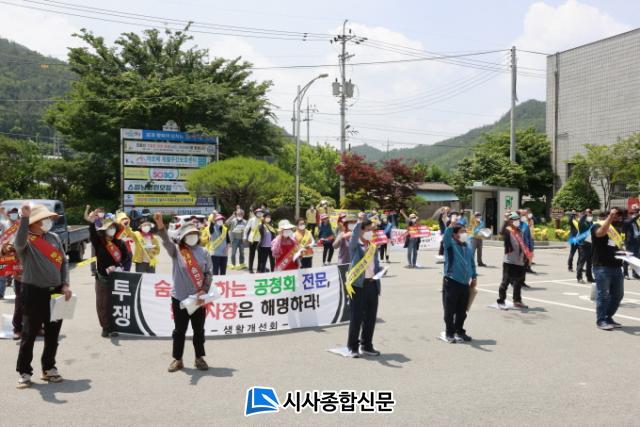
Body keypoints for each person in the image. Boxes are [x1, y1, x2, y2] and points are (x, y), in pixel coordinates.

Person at [15, 203, 72, 389]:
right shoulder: (25, 239)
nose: (48, 221)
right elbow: (18, 243)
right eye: (44, 219)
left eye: (48, 218)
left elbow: (64, 262)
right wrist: (24, 218)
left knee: (53, 333)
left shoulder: (54, 237)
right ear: (34, 222)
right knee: (29, 333)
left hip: (56, 291)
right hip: (33, 292)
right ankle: (24, 372)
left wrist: (65, 284)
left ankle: (49, 368)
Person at [155, 212, 212, 371]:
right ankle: (177, 359)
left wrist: (203, 290)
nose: (192, 236)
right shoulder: (176, 251)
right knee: (179, 331)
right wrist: (160, 225)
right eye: (189, 234)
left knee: (198, 330)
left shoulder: (204, 252)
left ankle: (199, 358)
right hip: (179, 298)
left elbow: (208, 273)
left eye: (194, 234)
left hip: (198, 299)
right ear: (183, 237)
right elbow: (166, 240)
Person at [86, 210, 130, 338]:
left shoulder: (120, 243)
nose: (111, 230)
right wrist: (91, 223)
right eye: (109, 228)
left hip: (117, 278)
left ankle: (114, 326)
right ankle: (106, 327)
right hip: (102, 278)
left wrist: (118, 266)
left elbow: (126, 257)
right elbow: (92, 234)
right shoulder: (99, 243)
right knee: (102, 304)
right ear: (104, 230)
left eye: (113, 227)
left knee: (115, 303)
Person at [345, 219, 383, 358]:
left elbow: (374, 265)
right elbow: (354, 235)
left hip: (372, 284)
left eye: (372, 230)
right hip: (358, 285)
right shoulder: (355, 246)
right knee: (356, 317)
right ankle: (352, 347)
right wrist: (359, 222)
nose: (370, 232)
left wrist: (380, 271)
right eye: (368, 230)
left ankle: (367, 345)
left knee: (371, 317)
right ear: (361, 230)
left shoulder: (373, 246)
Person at [441, 218, 477, 343]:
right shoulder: (450, 244)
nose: (464, 233)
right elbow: (446, 237)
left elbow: (471, 262)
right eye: (462, 231)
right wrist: (450, 226)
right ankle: (449, 332)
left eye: (465, 231)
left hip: (465, 283)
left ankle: (459, 330)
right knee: (450, 310)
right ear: (455, 234)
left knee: (462, 311)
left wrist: (474, 276)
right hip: (452, 281)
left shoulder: (467, 246)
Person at [591, 208, 626, 331]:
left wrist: (624, 253)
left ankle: (608, 317)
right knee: (603, 295)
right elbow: (600, 233)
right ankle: (601, 320)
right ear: (608, 215)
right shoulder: (597, 225)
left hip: (617, 267)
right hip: (602, 267)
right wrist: (610, 217)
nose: (618, 218)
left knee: (618, 295)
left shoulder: (617, 229)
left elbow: (617, 246)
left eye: (619, 216)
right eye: (615, 216)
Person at [497, 212, 530, 309]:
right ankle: (501, 300)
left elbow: (522, 245)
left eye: (517, 219)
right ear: (510, 221)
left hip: (519, 261)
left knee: (518, 283)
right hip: (509, 261)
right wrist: (505, 220)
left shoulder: (520, 231)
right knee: (505, 282)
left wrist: (526, 257)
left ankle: (517, 301)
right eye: (514, 219)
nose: (517, 221)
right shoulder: (508, 231)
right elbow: (501, 232)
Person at [575, 209, 595, 284]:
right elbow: (580, 221)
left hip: (590, 244)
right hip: (583, 244)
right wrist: (585, 215)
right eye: (588, 214)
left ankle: (589, 277)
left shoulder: (591, 223)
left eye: (590, 213)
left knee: (590, 263)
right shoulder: (582, 223)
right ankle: (579, 277)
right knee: (582, 261)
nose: (590, 215)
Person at [243, 208, 263, 274]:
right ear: (255, 213)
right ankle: (250, 269)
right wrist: (244, 236)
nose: (259, 213)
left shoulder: (263, 220)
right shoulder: (251, 220)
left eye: (261, 212)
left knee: (260, 254)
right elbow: (246, 228)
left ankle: (259, 269)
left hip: (260, 239)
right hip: (252, 239)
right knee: (252, 254)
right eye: (258, 212)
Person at [623, 204, 640, 279]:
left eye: (637, 211)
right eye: (634, 211)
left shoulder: (636, 221)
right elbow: (631, 220)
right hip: (629, 242)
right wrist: (637, 215)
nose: (635, 213)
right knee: (628, 258)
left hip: (637, 241)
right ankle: (625, 273)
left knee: (636, 258)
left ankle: (635, 273)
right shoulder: (626, 220)